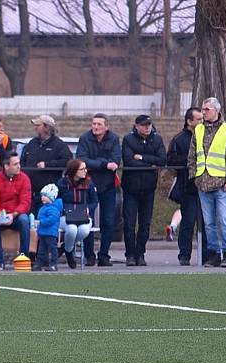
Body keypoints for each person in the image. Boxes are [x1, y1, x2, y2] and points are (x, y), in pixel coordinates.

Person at [187, 97, 226, 268]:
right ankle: (214, 254)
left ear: (216, 110)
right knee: (208, 223)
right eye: (203, 109)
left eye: (207, 109)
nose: (203, 112)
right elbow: (192, 155)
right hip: (203, 183)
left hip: (221, 184)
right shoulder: (198, 130)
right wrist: (194, 176)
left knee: (223, 220)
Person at [121, 114, 166, 266]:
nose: (147, 128)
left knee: (145, 224)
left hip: (148, 188)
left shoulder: (157, 139)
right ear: (137, 126)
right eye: (144, 125)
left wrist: (141, 158)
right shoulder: (128, 140)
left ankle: (140, 253)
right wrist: (149, 165)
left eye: (149, 125)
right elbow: (128, 161)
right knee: (129, 223)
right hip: (131, 188)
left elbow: (162, 160)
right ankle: (130, 254)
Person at [76, 113, 121, 267]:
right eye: (94, 124)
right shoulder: (84, 139)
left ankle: (104, 255)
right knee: (88, 221)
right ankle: (89, 255)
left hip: (108, 186)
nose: (95, 127)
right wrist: (104, 164)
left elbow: (115, 160)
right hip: (88, 185)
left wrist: (102, 164)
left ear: (106, 127)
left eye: (99, 124)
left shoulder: (114, 139)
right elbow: (83, 160)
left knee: (108, 221)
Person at [166, 107, 203, 265]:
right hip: (188, 187)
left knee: (207, 223)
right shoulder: (179, 139)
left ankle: (207, 254)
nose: (202, 122)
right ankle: (184, 255)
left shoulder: (207, 136)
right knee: (187, 223)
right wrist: (190, 159)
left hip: (206, 187)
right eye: (198, 119)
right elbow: (171, 160)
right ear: (189, 121)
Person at [20, 115, 72, 216]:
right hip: (29, 193)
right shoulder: (31, 143)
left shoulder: (59, 145)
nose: (35, 128)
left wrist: (48, 164)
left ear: (46, 127)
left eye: (38, 125)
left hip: (49, 196)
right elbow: (23, 161)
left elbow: (67, 161)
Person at [0, 152, 32, 270]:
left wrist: (13, 214)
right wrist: (0, 214)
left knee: (24, 220)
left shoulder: (24, 179)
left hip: (16, 215)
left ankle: (24, 258)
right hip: (0, 214)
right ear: (6, 166)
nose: (19, 166)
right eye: (15, 164)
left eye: (19, 163)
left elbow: (25, 202)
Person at [57, 159, 98, 269]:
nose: (85, 171)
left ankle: (65, 248)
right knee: (71, 230)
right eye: (82, 169)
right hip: (66, 216)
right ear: (74, 170)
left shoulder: (89, 183)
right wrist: (65, 209)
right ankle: (69, 254)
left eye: (85, 168)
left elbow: (94, 201)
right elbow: (57, 201)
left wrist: (88, 209)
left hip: (84, 216)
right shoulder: (62, 183)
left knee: (84, 230)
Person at [34, 183, 63, 272]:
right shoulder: (45, 207)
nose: (42, 197)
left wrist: (40, 222)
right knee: (42, 250)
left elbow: (52, 219)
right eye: (42, 195)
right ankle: (40, 263)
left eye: (45, 196)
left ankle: (54, 264)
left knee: (52, 249)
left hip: (50, 233)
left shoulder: (53, 208)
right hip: (43, 232)